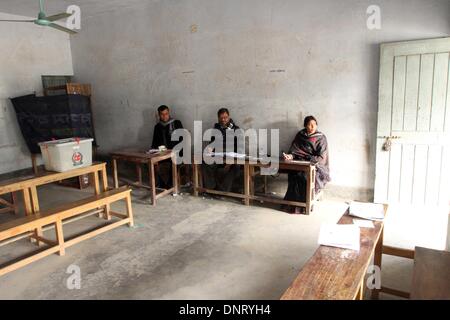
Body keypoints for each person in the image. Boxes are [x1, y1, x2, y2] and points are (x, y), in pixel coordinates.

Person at [283, 116, 330, 214]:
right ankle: (293, 205)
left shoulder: (321, 137)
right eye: (309, 124)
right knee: (294, 174)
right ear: (305, 126)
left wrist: (309, 159)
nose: (312, 126)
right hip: (299, 162)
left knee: (304, 176)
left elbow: (322, 157)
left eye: (314, 124)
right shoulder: (300, 135)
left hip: (315, 165)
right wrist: (290, 156)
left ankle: (306, 205)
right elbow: (294, 151)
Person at [202, 108, 241, 192]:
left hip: (231, 157)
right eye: (221, 118)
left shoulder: (235, 129)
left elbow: (239, 147)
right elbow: (212, 143)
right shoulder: (215, 129)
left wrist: (231, 161)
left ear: (229, 117)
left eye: (225, 117)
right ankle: (211, 189)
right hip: (218, 156)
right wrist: (210, 148)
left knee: (236, 167)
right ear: (218, 118)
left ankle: (223, 190)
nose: (223, 120)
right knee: (205, 163)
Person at [151, 105, 183, 188]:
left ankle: (170, 186)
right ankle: (160, 184)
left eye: (166, 114)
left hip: (177, 153)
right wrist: (153, 151)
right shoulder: (157, 127)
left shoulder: (176, 123)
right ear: (159, 115)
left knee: (174, 163)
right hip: (162, 153)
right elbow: (154, 143)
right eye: (162, 114)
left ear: (169, 113)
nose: (164, 116)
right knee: (152, 163)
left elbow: (183, 140)